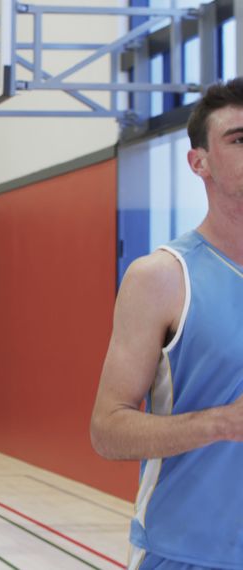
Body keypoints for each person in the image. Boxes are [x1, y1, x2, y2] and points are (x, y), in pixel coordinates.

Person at [91, 80, 243, 569]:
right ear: (199, 162)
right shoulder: (162, 277)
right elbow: (107, 430)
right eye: (239, 139)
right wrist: (222, 423)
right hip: (185, 553)